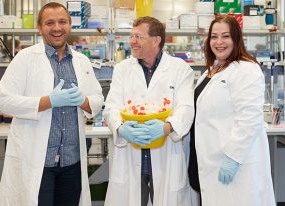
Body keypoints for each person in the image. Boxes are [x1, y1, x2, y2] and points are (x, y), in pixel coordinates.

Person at [0, 2, 103, 206]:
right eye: (49, 22)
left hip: (71, 161)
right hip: (38, 161)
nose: (56, 28)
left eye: (62, 22)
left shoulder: (81, 60)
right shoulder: (25, 58)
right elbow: (5, 100)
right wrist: (48, 101)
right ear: (39, 27)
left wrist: (84, 101)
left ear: (70, 25)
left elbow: (97, 99)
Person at [103, 16, 195, 206]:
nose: (132, 41)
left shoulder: (180, 69)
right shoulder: (122, 69)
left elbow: (186, 109)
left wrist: (166, 128)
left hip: (166, 151)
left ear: (156, 40)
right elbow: (111, 107)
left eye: (138, 36)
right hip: (130, 151)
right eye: (131, 36)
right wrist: (120, 128)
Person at [188, 15, 275, 206]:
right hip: (210, 162)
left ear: (236, 39)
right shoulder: (212, 70)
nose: (219, 42)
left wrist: (233, 158)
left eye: (225, 36)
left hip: (236, 165)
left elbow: (250, 119)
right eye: (214, 36)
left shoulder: (246, 69)